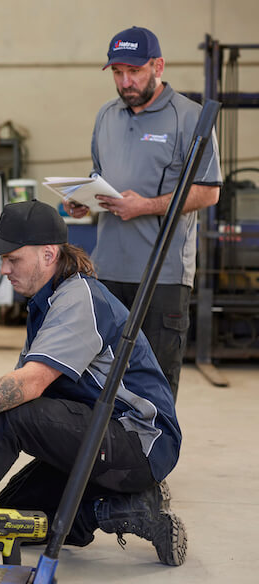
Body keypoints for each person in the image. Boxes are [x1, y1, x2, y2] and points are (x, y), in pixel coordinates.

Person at [0, 200, 186, 567]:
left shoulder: (78, 299)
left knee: (13, 413)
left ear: (48, 254)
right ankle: (120, 509)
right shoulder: (47, 303)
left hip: (139, 443)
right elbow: (21, 383)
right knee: (9, 518)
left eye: (13, 259)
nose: (4, 269)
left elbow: (25, 389)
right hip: (99, 433)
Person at [66, 26, 222, 400]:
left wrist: (146, 206)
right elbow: (100, 177)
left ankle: (151, 459)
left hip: (162, 278)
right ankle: (108, 459)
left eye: (134, 71)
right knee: (103, 386)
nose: (125, 81)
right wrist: (83, 200)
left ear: (159, 66)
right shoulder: (106, 116)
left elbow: (209, 192)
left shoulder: (190, 118)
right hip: (106, 274)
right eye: (118, 72)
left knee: (155, 389)